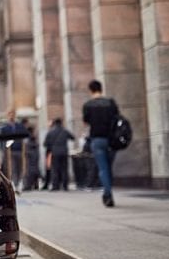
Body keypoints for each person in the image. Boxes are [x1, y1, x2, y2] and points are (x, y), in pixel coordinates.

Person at [83, 79, 120, 207]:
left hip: (97, 139)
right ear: (101, 89)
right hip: (112, 139)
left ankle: (108, 194)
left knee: (103, 168)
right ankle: (108, 191)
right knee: (109, 167)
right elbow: (117, 118)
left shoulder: (88, 105)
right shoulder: (110, 103)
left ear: (90, 90)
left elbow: (86, 122)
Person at [42, 118, 75, 191]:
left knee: (55, 169)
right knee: (64, 169)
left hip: (54, 153)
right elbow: (73, 138)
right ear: (61, 123)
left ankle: (55, 186)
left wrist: (52, 146)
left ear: (55, 123)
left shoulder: (50, 132)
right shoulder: (65, 131)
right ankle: (65, 186)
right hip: (64, 152)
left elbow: (45, 144)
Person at [0, 110, 27, 185]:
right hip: (10, 151)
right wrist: (4, 150)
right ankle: (15, 183)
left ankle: (19, 181)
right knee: (13, 167)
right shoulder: (5, 128)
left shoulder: (20, 126)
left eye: (13, 114)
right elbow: (2, 140)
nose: (11, 116)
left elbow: (24, 136)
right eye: (10, 115)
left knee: (20, 167)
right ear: (8, 116)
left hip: (20, 150)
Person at [22, 122, 42, 191]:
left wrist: (26, 153)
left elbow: (27, 145)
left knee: (30, 170)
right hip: (35, 154)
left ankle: (28, 185)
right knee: (35, 168)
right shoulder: (34, 137)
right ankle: (35, 184)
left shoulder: (27, 137)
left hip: (30, 153)